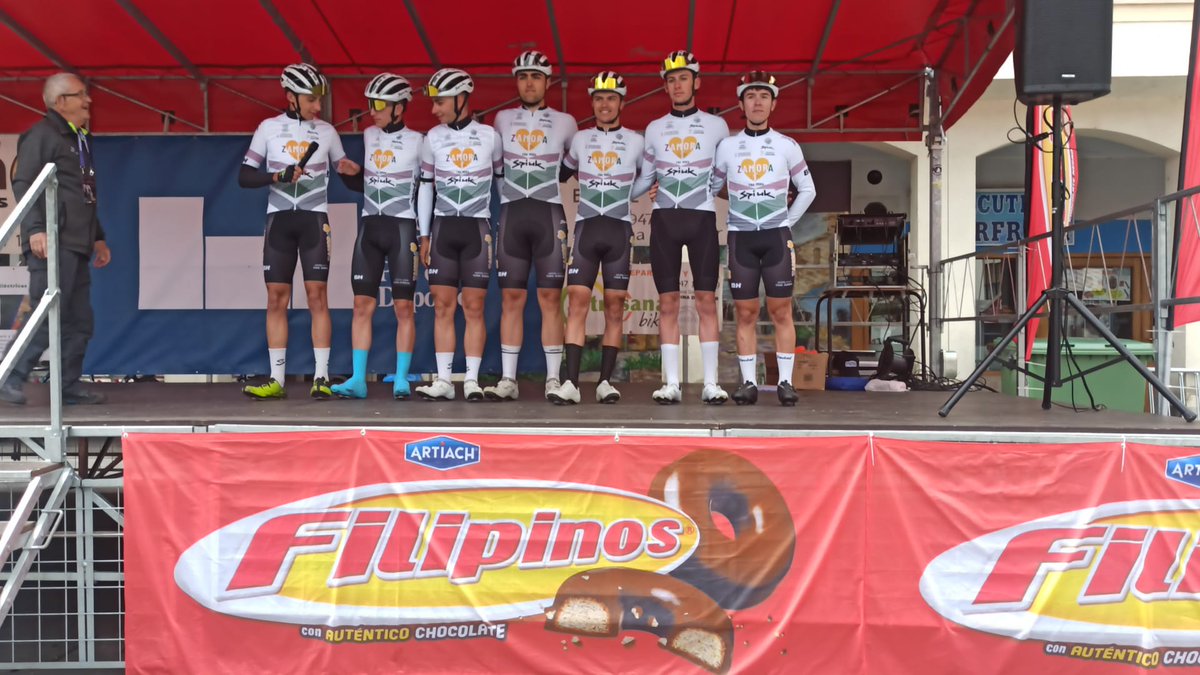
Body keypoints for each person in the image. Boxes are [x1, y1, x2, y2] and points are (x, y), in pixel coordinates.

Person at [238, 63, 361, 400]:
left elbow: (351, 180)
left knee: (317, 296)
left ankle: (321, 376)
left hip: (313, 221)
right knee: (275, 298)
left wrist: (354, 172)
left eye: (320, 99)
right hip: (279, 220)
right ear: (291, 97)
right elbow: (244, 176)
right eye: (310, 99)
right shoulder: (268, 128)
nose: (317, 106)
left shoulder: (327, 132)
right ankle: (277, 379)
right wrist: (276, 177)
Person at [0, 72, 111, 406]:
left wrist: (97, 237)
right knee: (45, 314)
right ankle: (9, 376)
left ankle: (67, 386)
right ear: (61, 101)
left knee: (79, 320)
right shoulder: (42, 135)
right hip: (52, 241)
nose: (89, 100)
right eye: (81, 94)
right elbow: (24, 183)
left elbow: (83, 193)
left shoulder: (79, 139)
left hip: (76, 242)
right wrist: (35, 228)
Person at [710, 71, 816, 406]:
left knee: (781, 310)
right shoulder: (727, 146)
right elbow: (712, 188)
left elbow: (808, 189)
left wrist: (786, 221)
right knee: (745, 313)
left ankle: (785, 382)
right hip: (740, 238)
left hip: (776, 237)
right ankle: (748, 383)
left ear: (773, 104)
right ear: (741, 104)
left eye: (764, 96)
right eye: (751, 96)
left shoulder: (787, 145)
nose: (757, 102)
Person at [631, 51, 730, 405]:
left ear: (696, 82)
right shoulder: (655, 128)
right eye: (671, 80)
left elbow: (726, 173)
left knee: (706, 301)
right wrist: (611, 191)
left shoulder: (717, 126)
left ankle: (711, 383)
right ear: (665, 86)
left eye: (683, 78)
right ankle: (671, 383)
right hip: (664, 220)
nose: (677, 85)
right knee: (667, 302)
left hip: (702, 218)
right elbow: (645, 178)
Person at [485, 50, 578, 402]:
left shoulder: (566, 122)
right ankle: (508, 379)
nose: (529, 83)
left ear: (548, 82)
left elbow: (573, 167)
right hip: (512, 214)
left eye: (536, 77)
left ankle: (553, 379)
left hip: (549, 214)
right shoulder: (502, 119)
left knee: (550, 297)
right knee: (511, 298)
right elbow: (495, 169)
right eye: (523, 77)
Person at [549, 72, 645, 405]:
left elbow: (650, 175)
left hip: (619, 228)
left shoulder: (635, 141)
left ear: (621, 103)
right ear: (592, 103)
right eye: (599, 98)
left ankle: (605, 382)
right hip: (586, 227)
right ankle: (571, 383)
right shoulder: (580, 139)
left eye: (611, 98)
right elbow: (561, 173)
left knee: (615, 306)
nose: (605, 104)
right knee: (577, 300)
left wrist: (629, 195)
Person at [330, 73, 423, 400]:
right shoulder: (369, 135)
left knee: (404, 307)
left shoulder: (419, 141)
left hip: (402, 227)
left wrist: (426, 233)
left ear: (399, 107)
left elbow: (427, 190)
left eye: (380, 104)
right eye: (370, 104)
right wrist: (356, 174)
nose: (373, 111)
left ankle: (401, 378)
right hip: (369, 227)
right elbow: (369, 184)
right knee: (360, 305)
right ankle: (358, 379)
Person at [413, 68, 503, 401]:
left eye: (440, 102)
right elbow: (425, 188)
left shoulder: (490, 136)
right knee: (442, 307)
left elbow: (502, 185)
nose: (434, 109)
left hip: (477, 227)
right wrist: (424, 235)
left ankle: (473, 380)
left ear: (461, 98)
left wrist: (505, 226)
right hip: (443, 228)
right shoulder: (432, 138)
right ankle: (444, 381)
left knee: (475, 307)